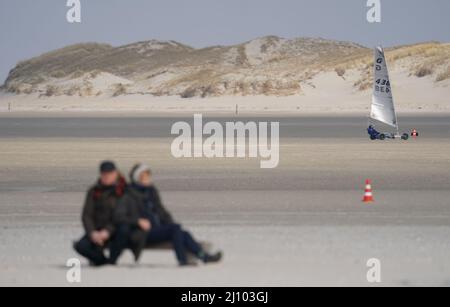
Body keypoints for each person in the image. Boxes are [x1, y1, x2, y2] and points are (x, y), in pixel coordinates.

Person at [115, 163, 223, 266]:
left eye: (148, 176)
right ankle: (183, 261)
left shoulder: (151, 192)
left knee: (183, 233)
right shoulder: (129, 195)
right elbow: (119, 216)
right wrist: (138, 221)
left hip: (157, 229)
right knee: (176, 229)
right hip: (141, 233)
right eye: (144, 176)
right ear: (137, 178)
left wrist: (170, 224)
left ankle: (204, 256)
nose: (148, 178)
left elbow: (161, 211)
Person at [73, 161, 127, 266]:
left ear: (115, 174)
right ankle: (103, 262)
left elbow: (121, 216)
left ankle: (111, 261)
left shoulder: (123, 191)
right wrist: (92, 233)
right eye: (104, 174)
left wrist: (107, 231)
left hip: (115, 230)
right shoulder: (93, 191)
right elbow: (86, 215)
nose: (106, 176)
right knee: (80, 246)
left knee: (123, 232)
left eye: (109, 173)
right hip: (96, 230)